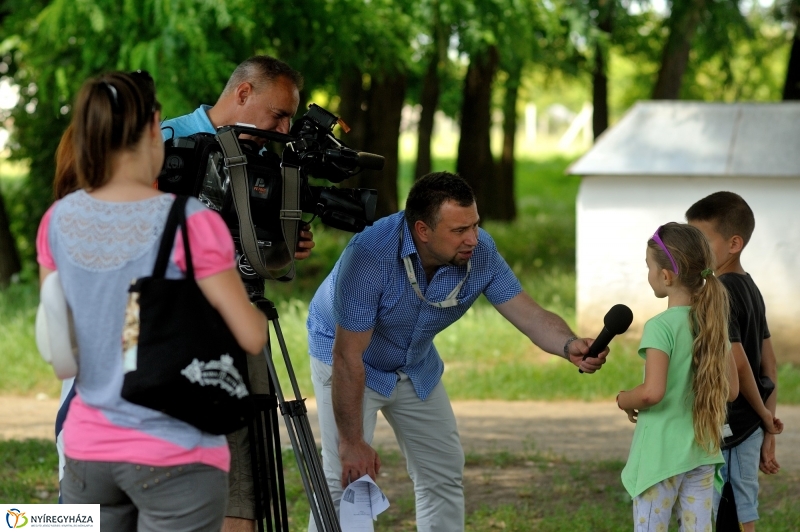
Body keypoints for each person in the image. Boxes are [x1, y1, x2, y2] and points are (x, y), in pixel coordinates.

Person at [305, 171, 609, 531]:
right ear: (422, 230)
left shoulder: (480, 252)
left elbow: (530, 315)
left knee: (443, 472)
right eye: (460, 230)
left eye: (475, 225)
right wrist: (352, 442)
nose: (473, 239)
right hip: (349, 359)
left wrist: (569, 344)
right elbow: (347, 356)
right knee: (344, 478)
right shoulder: (369, 257)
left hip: (415, 363)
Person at [37, 71, 268, 530]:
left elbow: (60, 353)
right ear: (153, 127)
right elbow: (251, 335)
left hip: (88, 451)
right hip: (176, 452)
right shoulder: (191, 220)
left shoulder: (57, 220)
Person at [160, 55, 313, 532]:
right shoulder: (166, 142)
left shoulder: (266, 157)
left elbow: (255, 245)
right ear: (244, 93)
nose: (284, 130)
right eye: (279, 115)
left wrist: (284, 243)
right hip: (170, 334)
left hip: (241, 322)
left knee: (242, 485)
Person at [617, 222, 739, 531]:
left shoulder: (660, 327)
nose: (648, 273)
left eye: (649, 266)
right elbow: (731, 391)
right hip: (702, 453)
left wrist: (624, 399)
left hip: (660, 457)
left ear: (666, 276)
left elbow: (651, 393)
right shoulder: (713, 324)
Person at [686, 192, 783, 531]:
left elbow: (738, 363)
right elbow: (771, 366)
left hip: (734, 428)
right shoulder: (749, 286)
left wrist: (766, 419)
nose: (695, 249)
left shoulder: (720, 291)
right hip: (750, 426)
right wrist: (765, 423)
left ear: (734, 243)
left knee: (733, 513)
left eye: (703, 240)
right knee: (741, 507)